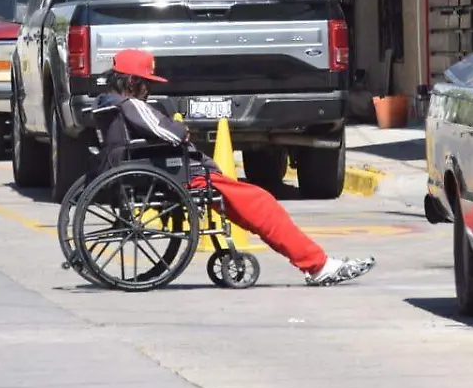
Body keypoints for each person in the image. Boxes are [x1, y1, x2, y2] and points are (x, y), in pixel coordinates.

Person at [92, 48, 376, 287]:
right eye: (145, 84)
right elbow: (171, 134)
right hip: (182, 175)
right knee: (262, 203)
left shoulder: (106, 106)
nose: (148, 90)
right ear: (131, 82)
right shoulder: (131, 105)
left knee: (252, 208)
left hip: (160, 172)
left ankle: (315, 261)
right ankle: (318, 265)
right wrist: (180, 128)